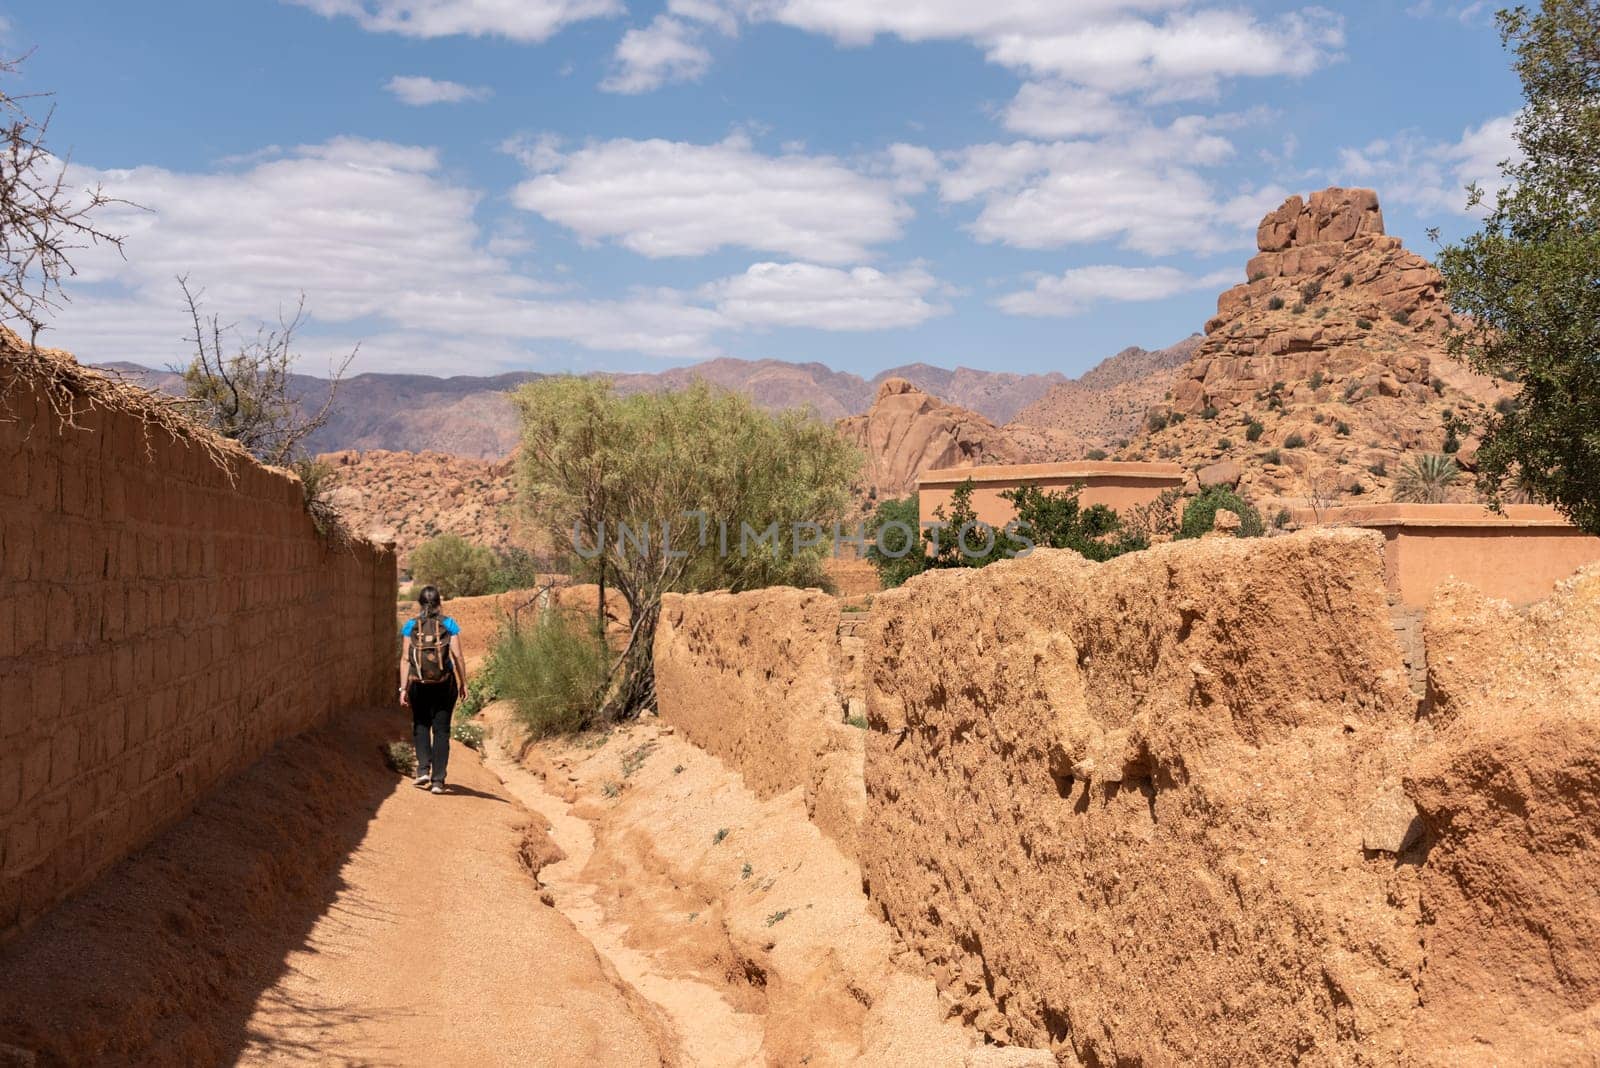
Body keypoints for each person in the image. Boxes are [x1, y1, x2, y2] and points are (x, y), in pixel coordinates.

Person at [399, 585, 468, 794]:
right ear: (439, 603)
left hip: (418, 685)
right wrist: (463, 682)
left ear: (420, 603)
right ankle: (438, 781)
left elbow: (405, 659)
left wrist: (403, 688)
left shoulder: (411, 626)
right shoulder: (449, 624)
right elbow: (457, 656)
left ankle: (422, 770)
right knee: (441, 730)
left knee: (420, 724)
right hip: (444, 684)